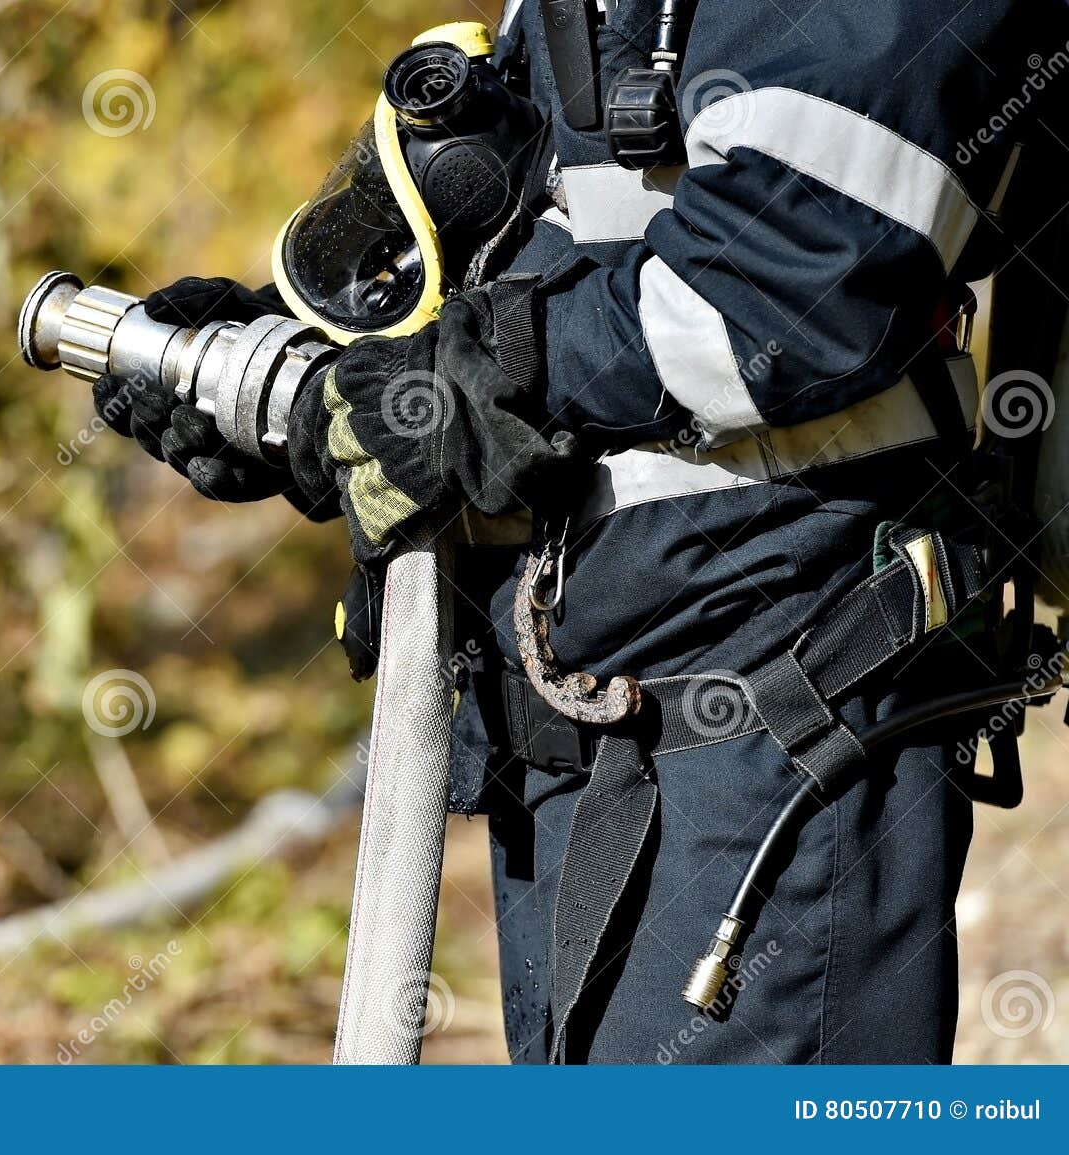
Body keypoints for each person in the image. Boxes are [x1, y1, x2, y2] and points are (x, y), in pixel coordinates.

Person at [89, 0, 1066, 1063]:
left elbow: (793, 277)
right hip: (571, 733)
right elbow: (553, 244)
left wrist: (472, 386)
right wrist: (303, 375)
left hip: (778, 725)